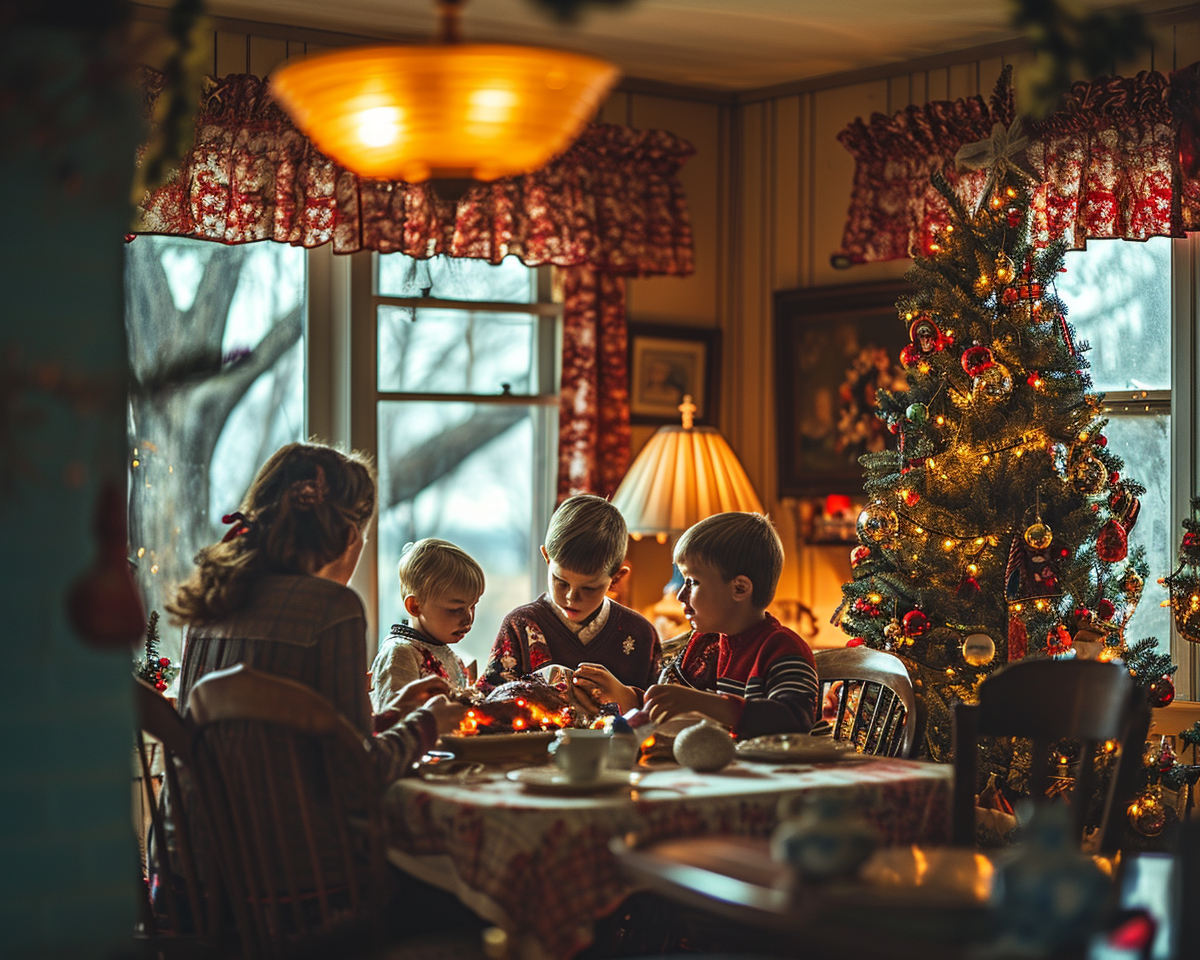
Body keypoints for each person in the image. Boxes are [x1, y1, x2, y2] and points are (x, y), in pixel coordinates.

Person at [171, 442, 465, 783]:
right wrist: (427, 724)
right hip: (294, 834)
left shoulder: (208, 597)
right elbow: (356, 773)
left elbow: (282, 742)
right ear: (351, 535)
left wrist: (391, 717)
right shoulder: (330, 609)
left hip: (192, 830)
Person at [575, 511, 819, 738]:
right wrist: (626, 696)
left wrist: (705, 703)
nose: (681, 595)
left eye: (693, 582)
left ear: (739, 588)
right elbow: (675, 709)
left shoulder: (781, 647)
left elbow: (795, 719)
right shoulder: (705, 645)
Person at [480, 494, 660, 700]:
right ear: (547, 558)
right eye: (561, 582)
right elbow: (487, 703)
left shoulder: (640, 634)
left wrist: (629, 698)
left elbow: (662, 714)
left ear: (616, 578)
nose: (571, 598)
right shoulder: (520, 625)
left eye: (589, 588)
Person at [370, 538, 483, 713]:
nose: (468, 618)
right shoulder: (401, 654)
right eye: (455, 609)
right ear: (415, 606)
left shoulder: (451, 656)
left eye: (473, 606)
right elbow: (393, 718)